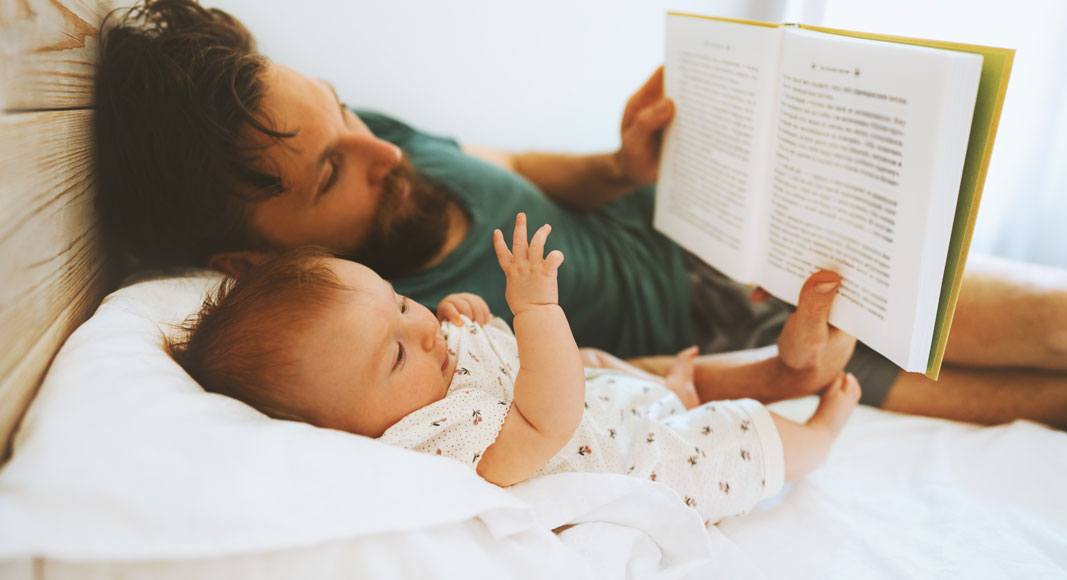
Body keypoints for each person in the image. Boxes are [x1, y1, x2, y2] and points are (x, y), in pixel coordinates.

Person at [95, 0, 1067, 429]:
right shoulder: (369, 325)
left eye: (340, 107)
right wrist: (764, 379)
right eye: (332, 171)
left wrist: (614, 163)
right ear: (251, 257)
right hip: (743, 323)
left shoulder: (378, 145)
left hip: (708, 221)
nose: (382, 149)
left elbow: (509, 165)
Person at [169, 214, 862, 524]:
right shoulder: (434, 446)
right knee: (743, 436)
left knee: (599, 367)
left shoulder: (428, 374)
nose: (421, 326)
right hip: (652, 462)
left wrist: (481, 324)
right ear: (348, 431)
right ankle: (817, 437)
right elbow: (544, 415)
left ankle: (676, 389)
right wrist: (531, 312)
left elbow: (499, 366)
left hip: (615, 405)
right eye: (397, 352)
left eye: (402, 302)